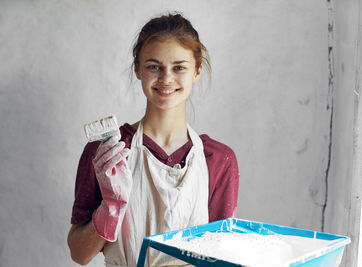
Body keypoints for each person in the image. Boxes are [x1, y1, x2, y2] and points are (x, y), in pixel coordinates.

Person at [67, 13, 239, 267]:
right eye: (153, 66)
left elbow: (222, 258)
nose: (166, 78)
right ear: (137, 69)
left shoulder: (218, 159)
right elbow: (79, 254)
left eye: (179, 67)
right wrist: (111, 206)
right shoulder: (107, 153)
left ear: (197, 70)